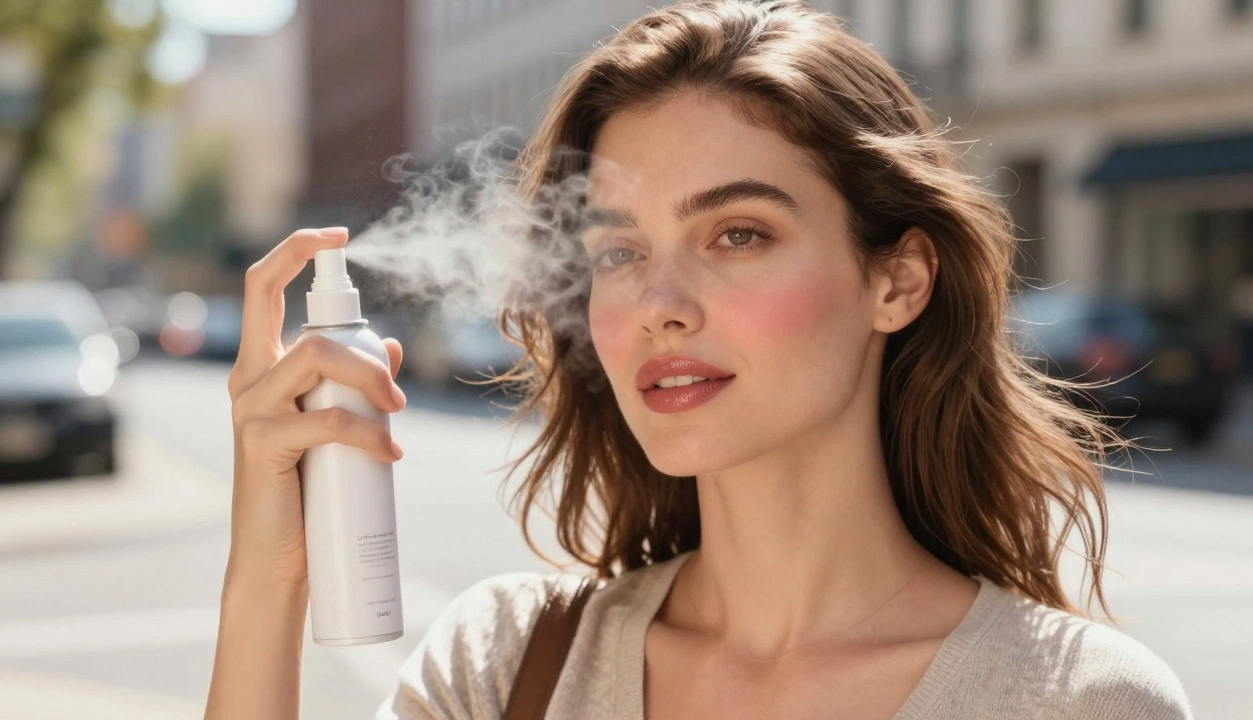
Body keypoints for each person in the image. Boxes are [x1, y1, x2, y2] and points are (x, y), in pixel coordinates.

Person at [204, 1, 1194, 718]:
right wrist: (266, 580)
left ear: (896, 280)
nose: (659, 309)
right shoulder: (504, 665)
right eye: (617, 253)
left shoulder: (1076, 702)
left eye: (735, 235)